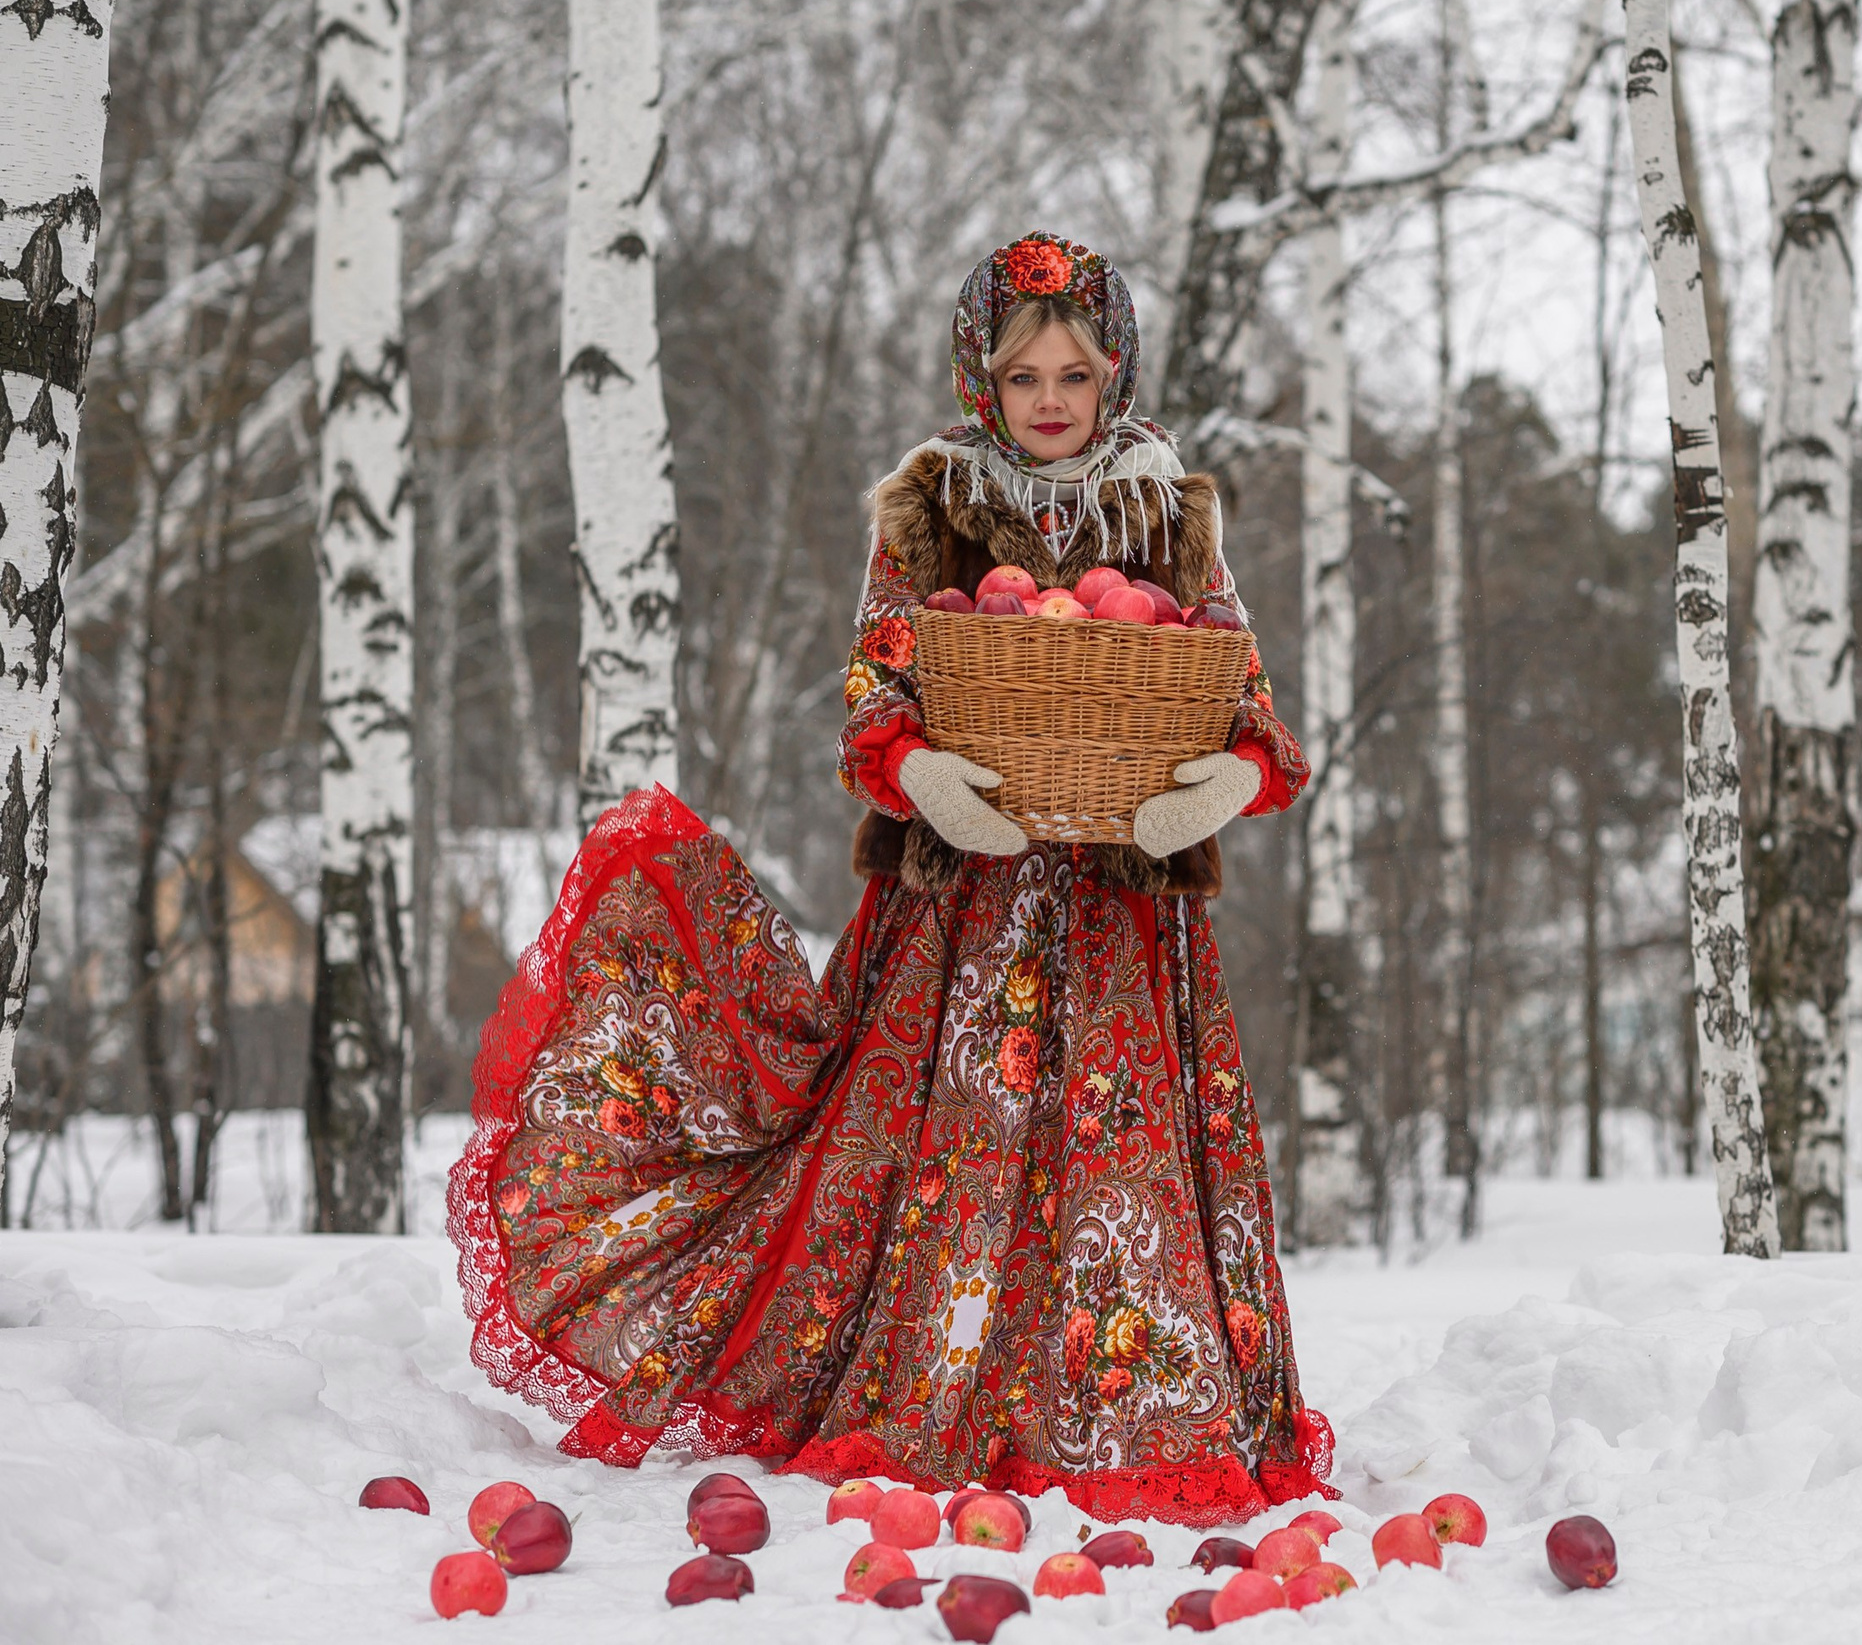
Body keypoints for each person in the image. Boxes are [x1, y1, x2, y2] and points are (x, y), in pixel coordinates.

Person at [447, 232, 1334, 1526]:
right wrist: (917, 773)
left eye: (1075, 374)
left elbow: (1255, 714)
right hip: (959, 913)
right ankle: (939, 1385)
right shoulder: (929, 504)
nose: (1048, 398)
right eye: (1022, 371)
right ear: (981, 374)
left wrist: (1220, 786)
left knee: (1116, 1160)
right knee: (953, 1148)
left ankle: (1124, 1413)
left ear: (1115, 377)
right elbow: (874, 687)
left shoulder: (1167, 511)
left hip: (1124, 919)